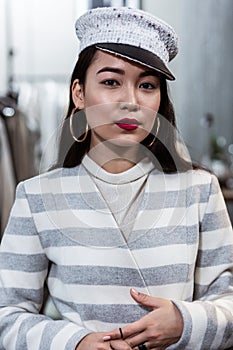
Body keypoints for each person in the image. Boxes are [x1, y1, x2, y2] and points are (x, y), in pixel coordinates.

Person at [0, 6, 233, 350]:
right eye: (111, 82)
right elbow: (7, 315)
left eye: (147, 85)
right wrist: (76, 342)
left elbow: (228, 300)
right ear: (79, 93)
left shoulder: (199, 189)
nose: (131, 101)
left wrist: (184, 323)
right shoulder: (37, 198)